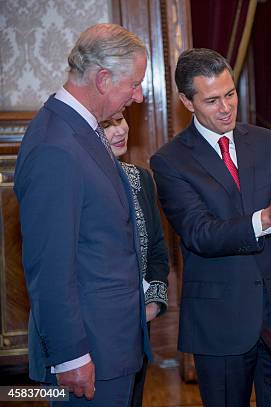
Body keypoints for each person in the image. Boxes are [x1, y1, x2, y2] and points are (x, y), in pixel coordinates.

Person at [150, 48, 271, 407]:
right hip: (220, 318)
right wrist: (264, 218)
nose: (226, 107)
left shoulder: (265, 140)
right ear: (186, 102)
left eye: (230, 94)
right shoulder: (169, 161)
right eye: (211, 100)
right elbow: (199, 234)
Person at [14, 24, 149, 405]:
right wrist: (71, 355)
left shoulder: (82, 130)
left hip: (111, 345)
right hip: (88, 354)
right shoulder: (56, 146)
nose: (138, 97)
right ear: (103, 79)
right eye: (134, 84)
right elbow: (50, 267)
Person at [100, 113, 170, 407]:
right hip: (94, 330)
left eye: (122, 119)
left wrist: (153, 304)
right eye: (108, 124)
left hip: (138, 325)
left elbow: (156, 248)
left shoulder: (139, 179)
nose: (121, 130)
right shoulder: (72, 182)